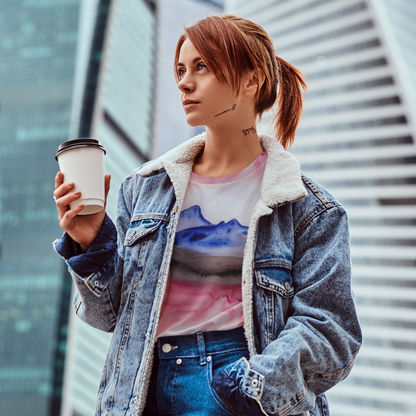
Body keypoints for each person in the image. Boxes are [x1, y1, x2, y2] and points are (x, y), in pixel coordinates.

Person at [53, 14, 361, 416]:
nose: (184, 81)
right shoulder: (145, 189)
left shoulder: (310, 210)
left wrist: (252, 385)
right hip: (139, 392)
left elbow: (330, 329)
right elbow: (111, 316)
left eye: (202, 67)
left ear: (252, 81)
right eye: (181, 69)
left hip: (238, 385)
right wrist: (91, 242)